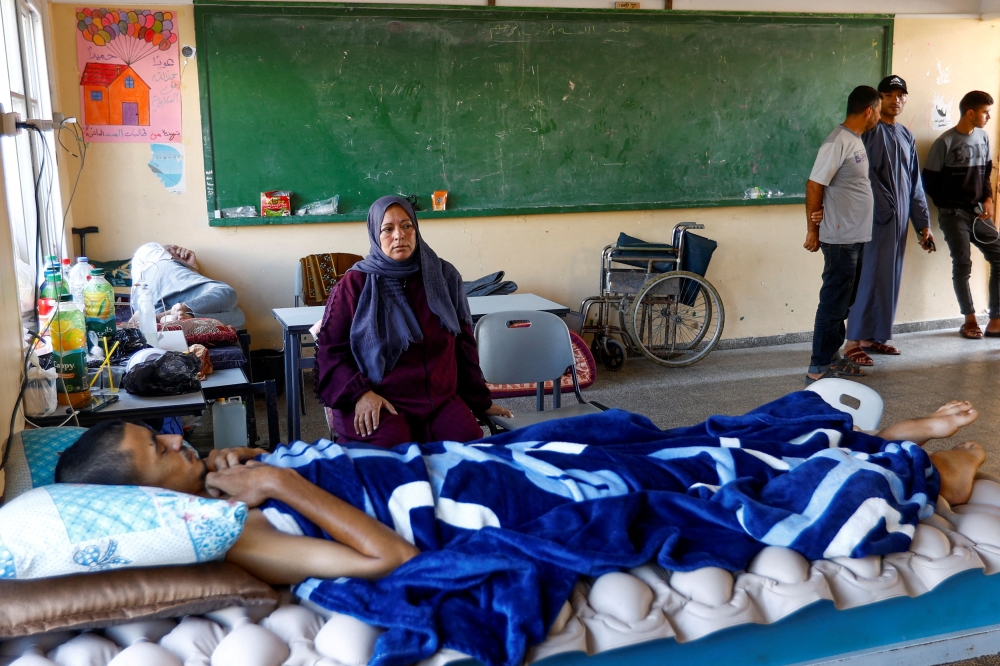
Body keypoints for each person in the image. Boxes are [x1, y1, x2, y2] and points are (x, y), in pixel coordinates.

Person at [54, 400, 986, 665]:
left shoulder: (216, 498)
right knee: (655, 481)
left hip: (447, 461)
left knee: (644, 440)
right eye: (160, 448)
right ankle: (913, 467)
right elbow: (393, 559)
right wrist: (281, 480)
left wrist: (248, 471)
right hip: (456, 498)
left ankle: (867, 436)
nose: (180, 439)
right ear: (140, 501)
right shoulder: (235, 534)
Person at [314, 195, 511, 447]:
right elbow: (331, 352)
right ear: (375, 233)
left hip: (437, 400)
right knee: (391, 451)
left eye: (407, 226)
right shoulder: (355, 284)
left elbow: (463, 345)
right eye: (388, 229)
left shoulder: (444, 276)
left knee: (467, 444)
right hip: (378, 398)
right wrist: (360, 394)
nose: (399, 235)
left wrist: (481, 403)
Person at [843, 76, 933, 366]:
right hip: (873, 220)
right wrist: (884, 207)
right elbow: (861, 177)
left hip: (898, 223)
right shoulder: (868, 132)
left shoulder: (906, 135)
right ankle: (852, 342)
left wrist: (923, 225)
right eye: (889, 94)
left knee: (888, 279)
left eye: (901, 95)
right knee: (867, 279)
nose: (896, 100)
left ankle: (875, 337)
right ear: (878, 100)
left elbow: (915, 183)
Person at [804, 86, 881, 383]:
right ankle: (818, 366)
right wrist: (812, 230)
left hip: (854, 236)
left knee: (843, 302)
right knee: (834, 301)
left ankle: (830, 357)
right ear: (868, 110)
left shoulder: (854, 140)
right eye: (878, 110)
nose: (878, 117)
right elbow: (814, 185)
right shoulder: (837, 142)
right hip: (840, 238)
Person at [922, 91, 998, 339]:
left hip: (977, 214)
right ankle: (970, 319)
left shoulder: (984, 138)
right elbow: (929, 184)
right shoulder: (944, 142)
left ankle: (996, 319)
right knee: (963, 264)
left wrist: (987, 198)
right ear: (970, 112)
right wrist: (951, 207)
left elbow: (985, 174)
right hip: (953, 214)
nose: (988, 116)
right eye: (985, 112)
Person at [130, 242, 246, 328]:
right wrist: (185, 265)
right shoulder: (151, 252)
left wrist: (193, 269)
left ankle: (174, 318)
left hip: (150, 304)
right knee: (226, 292)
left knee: (238, 316)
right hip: (155, 285)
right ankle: (165, 315)